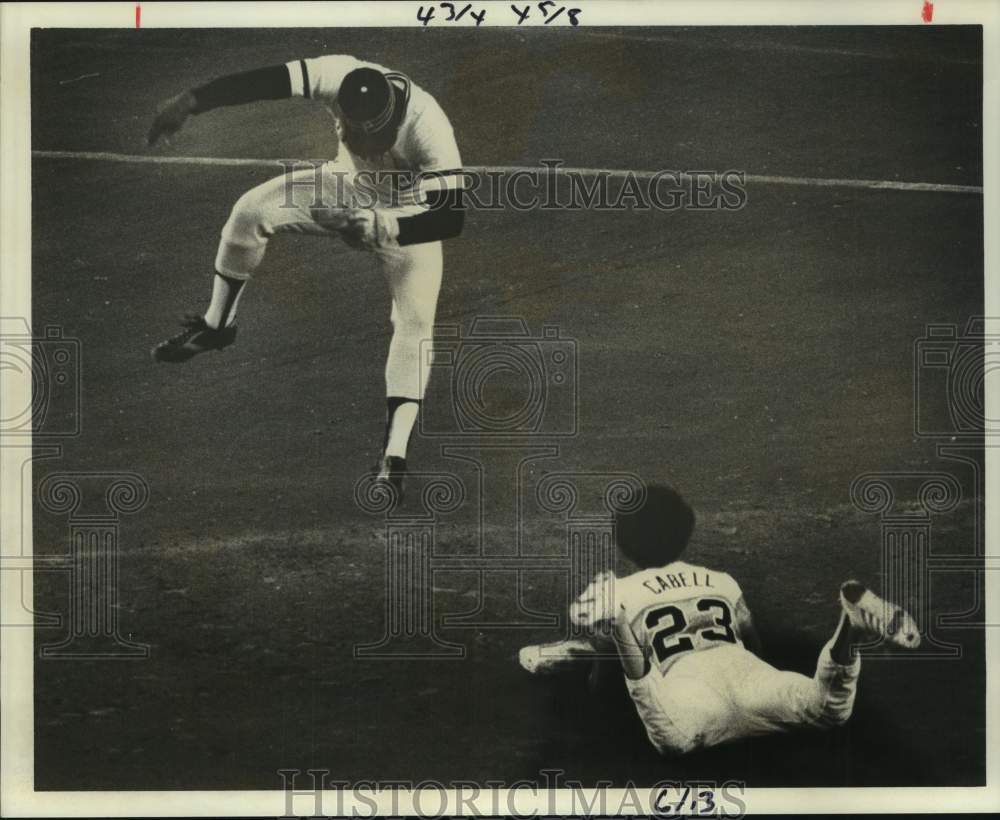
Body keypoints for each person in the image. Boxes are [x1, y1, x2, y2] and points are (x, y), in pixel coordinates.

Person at [146, 55, 467, 500]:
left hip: (408, 215)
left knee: (414, 322)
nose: (371, 142)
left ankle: (394, 456)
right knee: (250, 212)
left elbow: (450, 218)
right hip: (345, 188)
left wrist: (385, 227)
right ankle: (216, 327)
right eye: (360, 134)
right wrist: (193, 100)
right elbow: (266, 80)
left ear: (394, 119)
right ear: (345, 118)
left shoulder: (428, 125)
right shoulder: (336, 75)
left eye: (380, 136)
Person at [519, 483, 920, 755]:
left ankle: (618, 623)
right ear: (685, 533)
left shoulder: (622, 588)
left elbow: (603, 687)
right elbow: (756, 646)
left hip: (689, 693)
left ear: (623, 544)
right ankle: (850, 625)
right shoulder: (722, 582)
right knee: (828, 710)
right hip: (746, 672)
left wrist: (591, 667)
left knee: (670, 738)